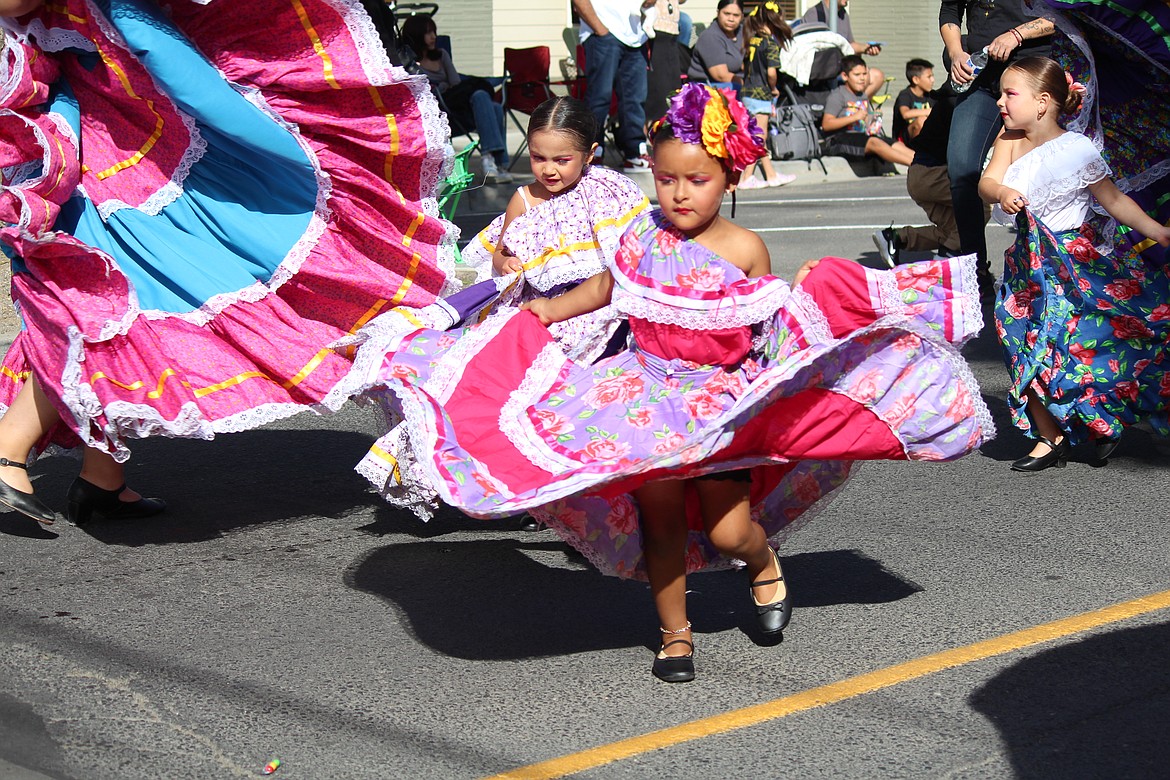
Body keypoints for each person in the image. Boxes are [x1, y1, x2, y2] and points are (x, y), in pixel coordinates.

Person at [354, 83, 992, 681]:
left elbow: (770, 334)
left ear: (730, 177)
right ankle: (674, 632)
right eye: (665, 179)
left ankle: (762, 561)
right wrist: (543, 310)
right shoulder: (640, 232)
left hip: (717, 406)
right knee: (657, 523)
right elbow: (611, 285)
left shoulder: (745, 249)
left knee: (725, 529)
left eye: (697, 179)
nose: (679, 193)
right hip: (639, 397)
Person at [0, 0, 455, 526]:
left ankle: (102, 479)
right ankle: (10, 449)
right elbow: (181, 74)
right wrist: (275, 136)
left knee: (123, 310)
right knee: (92, 308)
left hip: (119, 152)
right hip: (112, 165)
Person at [346, 96, 649, 504]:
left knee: (584, 406)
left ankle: (584, 488)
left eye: (562, 159)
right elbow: (502, 251)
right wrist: (505, 262)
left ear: (590, 154)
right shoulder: (524, 199)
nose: (549, 169)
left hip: (604, 313)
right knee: (510, 397)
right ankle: (515, 482)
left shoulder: (612, 191)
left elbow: (635, 252)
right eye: (539, 157)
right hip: (539, 313)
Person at [979, 57, 1170, 471]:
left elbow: (1116, 202)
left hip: (1074, 263)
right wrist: (1002, 190)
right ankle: (1049, 438)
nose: (1000, 102)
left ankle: (1105, 421)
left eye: (1010, 93)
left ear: (1043, 101)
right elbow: (986, 182)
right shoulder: (1008, 140)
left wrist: (1160, 232)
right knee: (1018, 337)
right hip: (1028, 263)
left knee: (1083, 344)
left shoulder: (1078, 149)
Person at [940, 0, 1053, 299]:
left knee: (1041, 172)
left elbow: (1063, 15)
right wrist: (955, 53)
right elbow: (951, 11)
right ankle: (975, 268)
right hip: (983, 80)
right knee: (962, 167)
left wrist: (1017, 34)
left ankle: (1046, 265)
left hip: (1031, 75)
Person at [873, 91, 989, 266]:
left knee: (952, 230)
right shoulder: (962, 102)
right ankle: (948, 258)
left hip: (921, 174)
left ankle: (896, 238)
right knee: (980, 205)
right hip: (932, 174)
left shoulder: (952, 99)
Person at [399, 14, 512, 184]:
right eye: (428, 33)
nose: (433, 37)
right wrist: (442, 87)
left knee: (491, 104)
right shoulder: (410, 65)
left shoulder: (441, 55)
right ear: (416, 35)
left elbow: (456, 83)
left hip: (458, 107)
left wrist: (443, 86)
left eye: (434, 32)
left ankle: (490, 161)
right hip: (441, 115)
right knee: (487, 101)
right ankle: (497, 162)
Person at [573, 0, 654, 170]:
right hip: (602, 34)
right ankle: (592, 153)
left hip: (635, 37)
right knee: (599, 98)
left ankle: (634, 153)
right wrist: (600, 30)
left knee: (635, 98)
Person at [737, 0, 797, 189]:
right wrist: (773, 88)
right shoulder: (770, 44)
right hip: (761, 93)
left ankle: (769, 175)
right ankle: (748, 177)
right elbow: (772, 72)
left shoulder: (750, 40)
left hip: (746, 92)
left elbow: (742, 66)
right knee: (759, 136)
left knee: (755, 135)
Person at [821, 55, 915, 166]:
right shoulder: (837, 95)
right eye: (857, 75)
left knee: (895, 144)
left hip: (861, 136)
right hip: (838, 139)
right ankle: (915, 166)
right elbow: (826, 124)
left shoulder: (862, 95)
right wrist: (854, 117)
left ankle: (925, 164)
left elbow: (864, 121)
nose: (862, 78)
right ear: (845, 76)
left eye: (864, 74)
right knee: (875, 142)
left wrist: (872, 121)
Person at [801, 0, 885, 93]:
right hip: (823, 71)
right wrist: (862, 49)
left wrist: (866, 48)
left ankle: (854, 105)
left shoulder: (843, 14)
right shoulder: (815, 14)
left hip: (843, 66)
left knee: (877, 76)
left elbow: (850, 45)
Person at [687, 0, 746, 91]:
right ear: (718, 13)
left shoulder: (743, 32)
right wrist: (750, 85)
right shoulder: (710, 36)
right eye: (726, 14)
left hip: (737, 82)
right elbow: (721, 76)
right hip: (710, 87)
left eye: (736, 15)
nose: (731, 19)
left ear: (742, 16)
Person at [642, 0, 686, 124]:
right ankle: (648, 135)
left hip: (672, 33)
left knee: (673, 91)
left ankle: (668, 133)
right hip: (654, 34)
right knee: (657, 91)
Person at [892, 59, 936, 143]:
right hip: (904, 140)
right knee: (921, 121)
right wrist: (930, 111)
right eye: (929, 77)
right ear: (916, 79)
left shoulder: (930, 96)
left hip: (924, 137)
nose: (933, 80)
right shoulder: (905, 95)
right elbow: (906, 114)